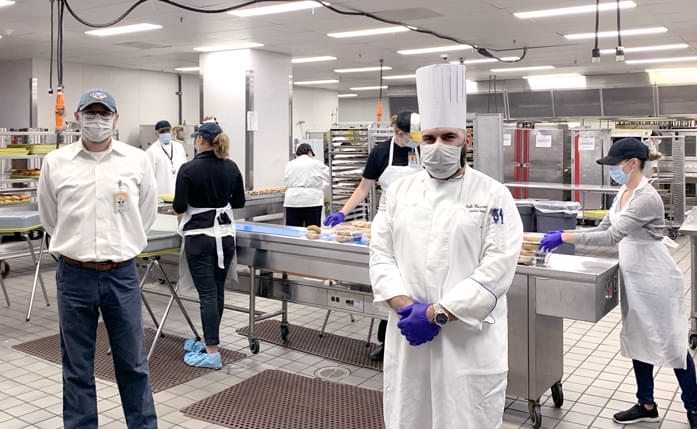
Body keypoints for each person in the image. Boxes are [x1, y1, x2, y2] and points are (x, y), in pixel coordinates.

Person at [370, 63, 524, 429]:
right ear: (419, 141)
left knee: (464, 417)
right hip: (409, 335)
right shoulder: (398, 191)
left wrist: (437, 313)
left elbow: (498, 267)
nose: (438, 147)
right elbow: (381, 254)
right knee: (411, 413)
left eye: (448, 138)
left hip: (466, 341)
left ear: (466, 140)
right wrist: (407, 308)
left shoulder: (492, 195)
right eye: (430, 138)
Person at [540, 137, 697, 428]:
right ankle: (646, 404)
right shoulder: (624, 190)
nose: (613, 170)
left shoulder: (646, 197)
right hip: (634, 276)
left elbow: (613, 237)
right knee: (639, 339)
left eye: (615, 164)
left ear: (632, 163)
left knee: (672, 343)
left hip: (656, 278)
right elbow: (604, 226)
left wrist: (563, 237)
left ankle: (694, 408)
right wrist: (566, 229)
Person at [38, 89, 158, 429]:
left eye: (104, 114)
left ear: (116, 119)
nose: (97, 120)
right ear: (77, 117)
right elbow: (50, 218)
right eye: (90, 113)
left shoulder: (136, 160)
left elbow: (144, 214)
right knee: (76, 366)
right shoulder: (56, 162)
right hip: (74, 275)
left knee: (133, 363)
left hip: (122, 274)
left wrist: (121, 244)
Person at [324, 110, 422, 361]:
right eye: (402, 135)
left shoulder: (425, 150)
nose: (406, 140)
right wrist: (343, 213)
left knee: (418, 281)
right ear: (395, 131)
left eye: (410, 136)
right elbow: (364, 187)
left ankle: (417, 332)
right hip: (389, 223)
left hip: (422, 223)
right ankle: (386, 341)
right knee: (390, 280)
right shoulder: (381, 152)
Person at [173, 122, 246, 369]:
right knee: (217, 292)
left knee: (207, 294)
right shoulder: (232, 167)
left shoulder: (188, 169)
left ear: (202, 140)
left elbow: (180, 206)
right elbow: (239, 201)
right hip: (225, 237)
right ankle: (209, 341)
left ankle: (212, 352)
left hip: (199, 238)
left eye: (196, 138)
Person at [283, 143, 330, 227]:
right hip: (312, 200)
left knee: (293, 231)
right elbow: (330, 177)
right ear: (309, 152)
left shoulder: (290, 164)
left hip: (292, 201)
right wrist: (322, 184)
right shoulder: (316, 163)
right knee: (312, 230)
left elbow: (286, 182)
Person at [146, 120, 187, 195]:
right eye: (162, 131)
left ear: (171, 131)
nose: (166, 133)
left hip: (180, 193)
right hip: (161, 195)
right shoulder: (151, 151)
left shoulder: (179, 147)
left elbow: (185, 169)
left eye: (168, 130)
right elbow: (149, 178)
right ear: (156, 134)